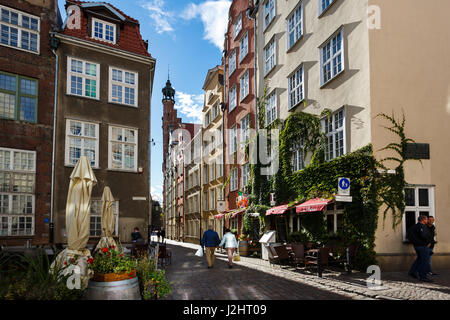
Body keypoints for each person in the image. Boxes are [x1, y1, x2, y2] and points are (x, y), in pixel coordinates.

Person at [408, 215, 433, 282]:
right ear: (423, 220)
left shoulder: (413, 226)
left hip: (416, 246)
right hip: (423, 246)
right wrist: (428, 242)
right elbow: (424, 235)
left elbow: (410, 236)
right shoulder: (422, 226)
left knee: (419, 260)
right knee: (424, 261)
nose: (427, 220)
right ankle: (423, 276)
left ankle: (412, 272)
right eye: (426, 219)